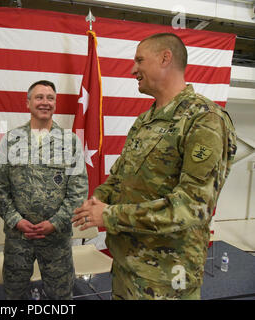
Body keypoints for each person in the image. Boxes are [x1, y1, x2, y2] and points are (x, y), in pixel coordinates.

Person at [72, 33, 237, 300]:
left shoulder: (204, 120)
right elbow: (120, 177)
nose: (133, 69)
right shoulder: (145, 120)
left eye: (139, 60)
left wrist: (111, 215)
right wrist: (98, 199)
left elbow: (192, 206)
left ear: (165, 58)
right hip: (128, 266)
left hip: (167, 277)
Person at [0, 80, 88, 299]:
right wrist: (16, 220)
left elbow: (78, 190)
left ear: (56, 103)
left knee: (60, 297)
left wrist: (55, 223)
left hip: (57, 239)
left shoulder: (70, 142)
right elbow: (0, 188)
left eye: (50, 98)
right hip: (19, 238)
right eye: (39, 97)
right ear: (28, 103)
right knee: (14, 295)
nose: (45, 102)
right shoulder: (11, 140)